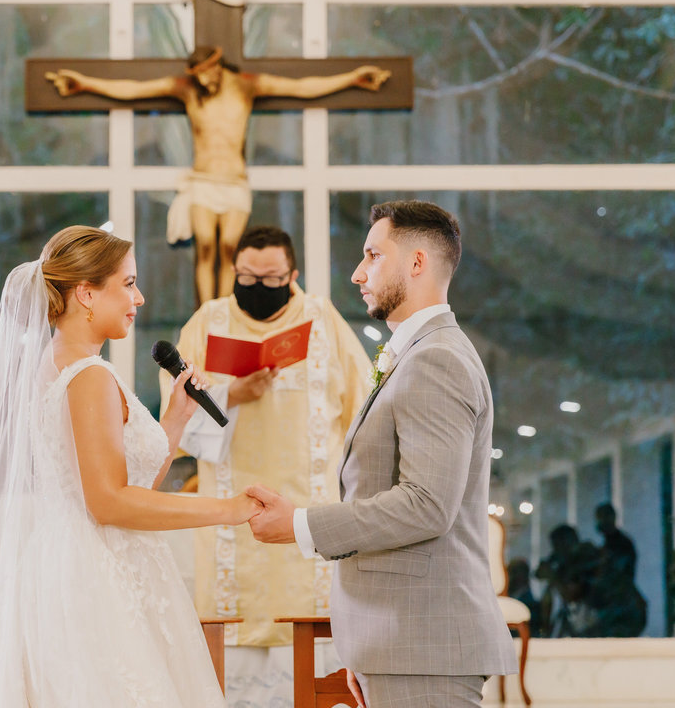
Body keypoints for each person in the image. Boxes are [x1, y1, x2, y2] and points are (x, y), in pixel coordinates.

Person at [0, 225, 260, 707]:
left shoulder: (56, 364)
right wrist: (228, 509)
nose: (139, 298)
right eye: (128, 284)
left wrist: (176, 420)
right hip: (95, 575)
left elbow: (126, 485)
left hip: (73, 558)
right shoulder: (89, 376)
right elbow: (108, 503)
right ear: (86, 294)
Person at [246, 200, 517, 708]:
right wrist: (367, 650)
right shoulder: (417, 353)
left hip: (425, 648)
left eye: (373, 255)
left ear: (416, 262)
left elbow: (426, 505)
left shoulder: (436, 358)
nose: (357, 273)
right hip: (398, 645)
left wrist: (300, 525)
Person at [159, 225, 371, 705]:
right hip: (232, 521)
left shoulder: (323, 319)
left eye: (271, 279)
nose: (258, 287)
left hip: (308, 513)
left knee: (312, 645)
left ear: (292, 275)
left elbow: (363, 408)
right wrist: (233, 393)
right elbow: (174, 412)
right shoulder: (208, 321)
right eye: (247, 277)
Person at [46, 47, 391, 303]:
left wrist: (353, 78)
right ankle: (204, 311)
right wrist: (84, 84)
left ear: (217, 64)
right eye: (197, 75)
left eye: (206, 73)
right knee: (206, 249)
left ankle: (222, 308)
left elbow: (302, 87)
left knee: (229, 250)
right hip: (203, 181)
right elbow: (134, 89)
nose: (203, 80)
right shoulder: (187, 90)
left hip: (234, 182)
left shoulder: (245, 86)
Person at [590, 503, 647, 637]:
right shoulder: (609, 544)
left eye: (604, 517)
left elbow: (616, 573)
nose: (601, 522)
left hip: (622, 606)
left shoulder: (621, 544)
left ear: (613, 518)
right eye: (599, 518)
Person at [535, 524, 598, 638]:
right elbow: (538, 574)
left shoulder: (585, 559)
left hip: (586, 622)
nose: (556, 549)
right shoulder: (563, 561)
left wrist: (552, 576)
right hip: (571, 622)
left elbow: (572, 595)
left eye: (558, 545)